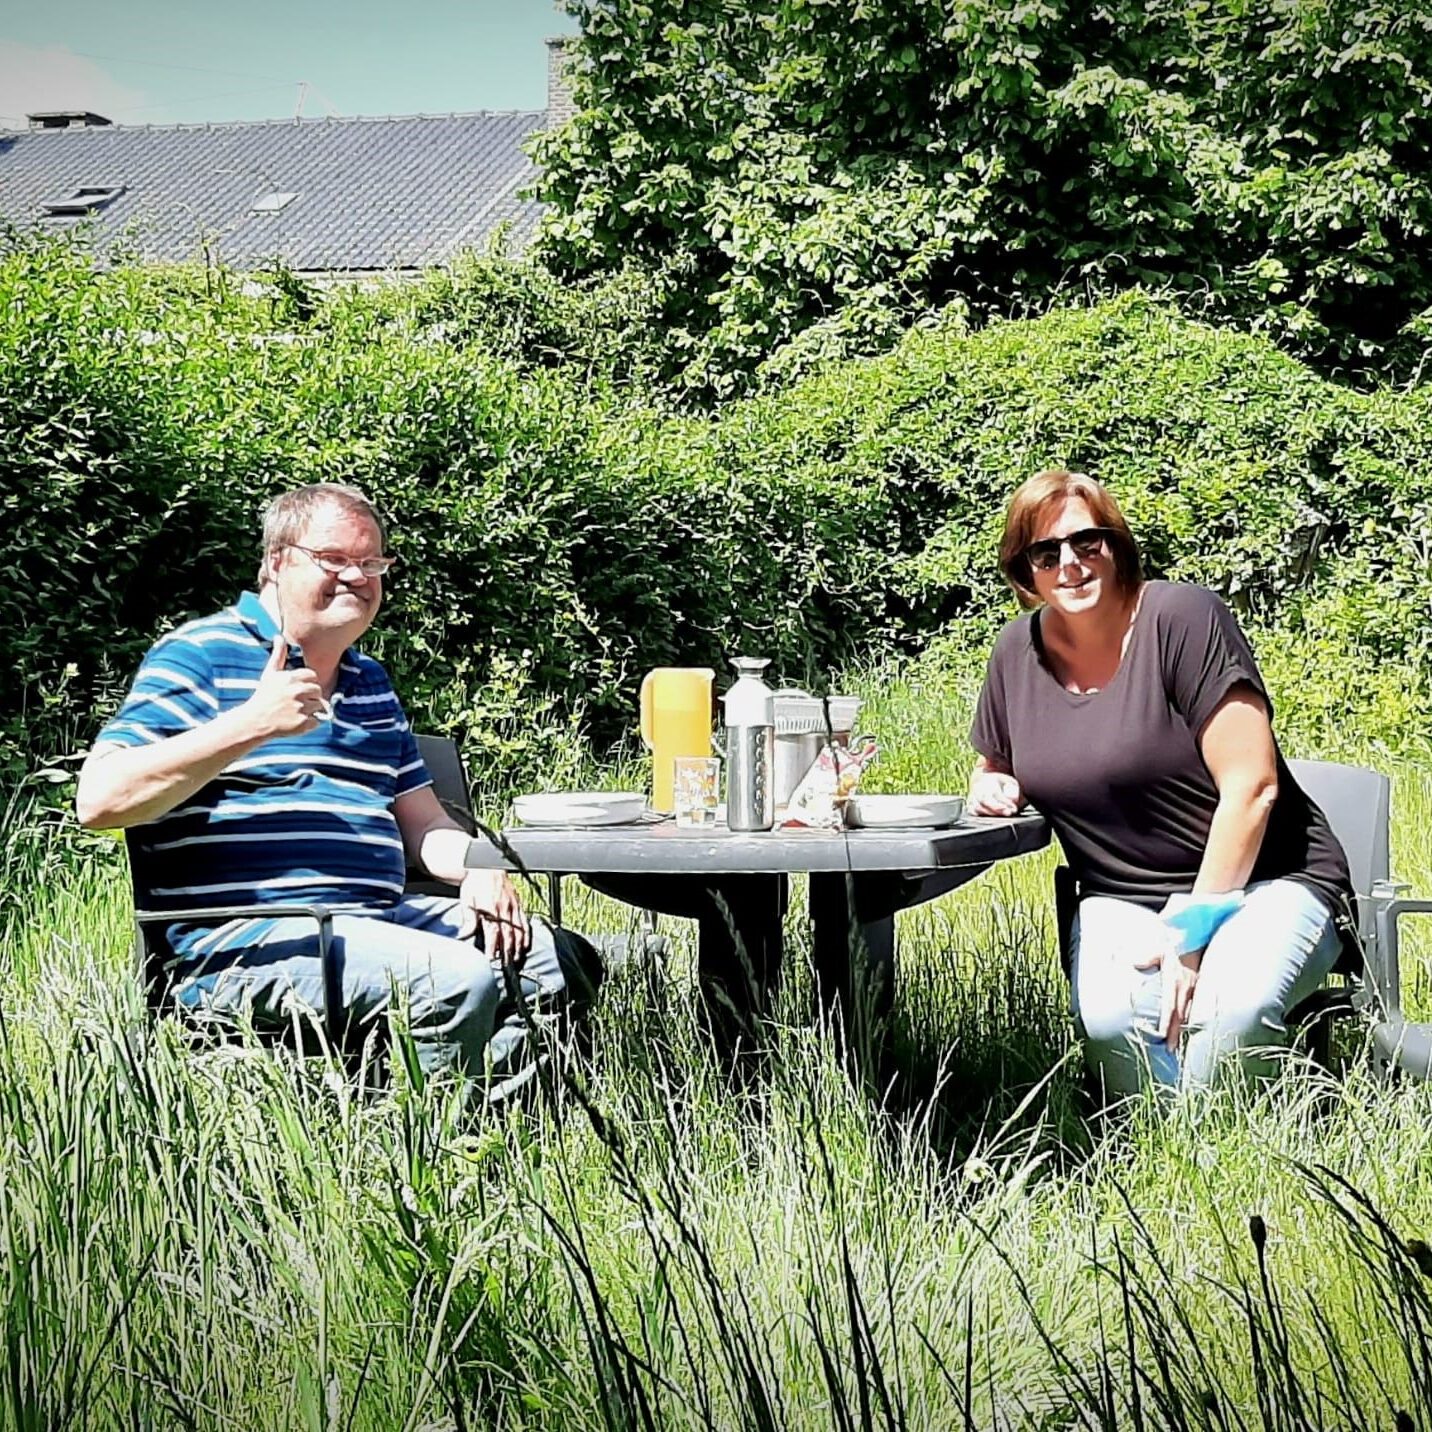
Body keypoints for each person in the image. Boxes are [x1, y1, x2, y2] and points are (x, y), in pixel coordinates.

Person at [76, 481, 601, 1103]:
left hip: (374, 921)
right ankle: (423, 1162)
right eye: (334, 560)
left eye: (371, 562)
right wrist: (252, 724)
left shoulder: (369, 681)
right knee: (457, 979)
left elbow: (425, 824)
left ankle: (481, 1133)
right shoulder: (200, 656)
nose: (357, 576)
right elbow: (100, 801)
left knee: (556, 960)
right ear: (276, 561)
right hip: (246, 937)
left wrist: (478, 869)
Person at [967, 469, 1353, 1098]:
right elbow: (994, 762)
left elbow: (1253, 788)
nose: (1070, 564)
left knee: (1226, 1013)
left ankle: (1224, 1161)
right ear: (1024, 571)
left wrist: (1190, 936)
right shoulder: (1017, 653)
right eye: (1047, 552)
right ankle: (1159, 1159)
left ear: (1116, 546)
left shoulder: (1182, 619)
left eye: (1087, 542)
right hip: (1122, 895)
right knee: (1114, 1020)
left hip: (1269, 880)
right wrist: (990, 785)